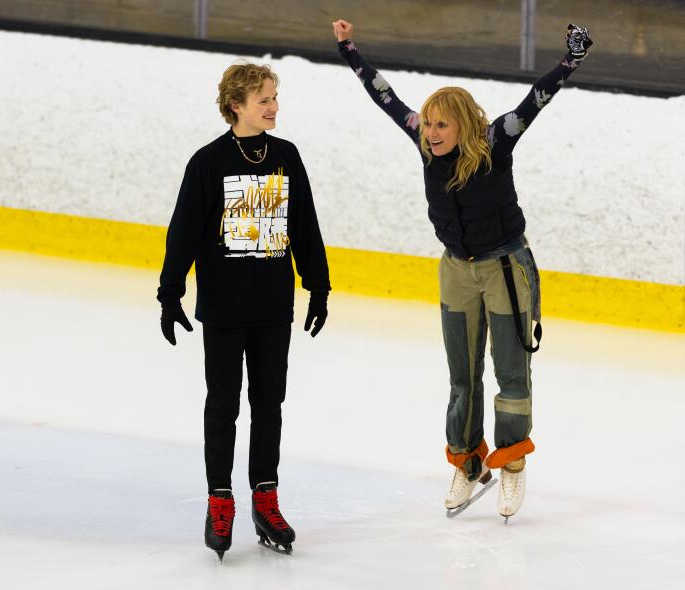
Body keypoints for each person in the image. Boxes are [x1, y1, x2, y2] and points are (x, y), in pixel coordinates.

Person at [332, 19, 592, 521]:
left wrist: (571, 59)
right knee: (461, 376)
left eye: (440, 125)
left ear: (462, 126)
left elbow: (535, 101)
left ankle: (512, 464)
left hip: (505, 267)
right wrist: (348, 49)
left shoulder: (495, 142)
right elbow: (384, 96)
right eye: (427, 124)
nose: (430, 133)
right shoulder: (423, 145)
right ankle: (468, 461)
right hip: (456, 270)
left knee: (511, 372)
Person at [157, 61, 331, 559]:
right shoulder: (208, 163)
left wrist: (317, 286)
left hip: (273, 307)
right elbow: (184, 232)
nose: (273, 107)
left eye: (275, 98)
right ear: (237, 105)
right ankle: (220, 500)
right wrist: (170, 292)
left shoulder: (287, 157)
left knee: (269, 405)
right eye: (264, 100)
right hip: (225, 309)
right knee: (224, 406)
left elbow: (305, 226)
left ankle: (265, 497)